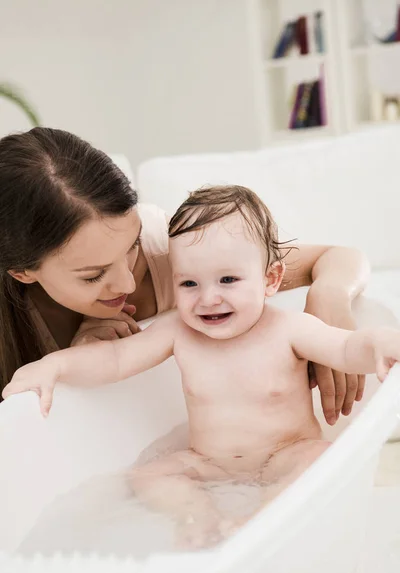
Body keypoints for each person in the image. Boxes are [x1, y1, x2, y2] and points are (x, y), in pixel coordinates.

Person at [3, 185, 397, 550]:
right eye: (189, 284)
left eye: (228, 279)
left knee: (320, 457)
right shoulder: (176, 332)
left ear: (271, 278)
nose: (209, 298)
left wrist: (377, 342)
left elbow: (346, 348)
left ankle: (262, 521)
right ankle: (199, 518)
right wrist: (54, 365)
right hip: (206, 460)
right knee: (148, 476)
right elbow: (115, 360)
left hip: (287, 451)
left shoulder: (290, 329)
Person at [0, 128, 370, 425]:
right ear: (22, 271)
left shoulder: (171, 251)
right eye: (93, 276)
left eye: (131, 246)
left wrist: (328, 297)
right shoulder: (13, 316)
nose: (128, 284)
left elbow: (338, 256)